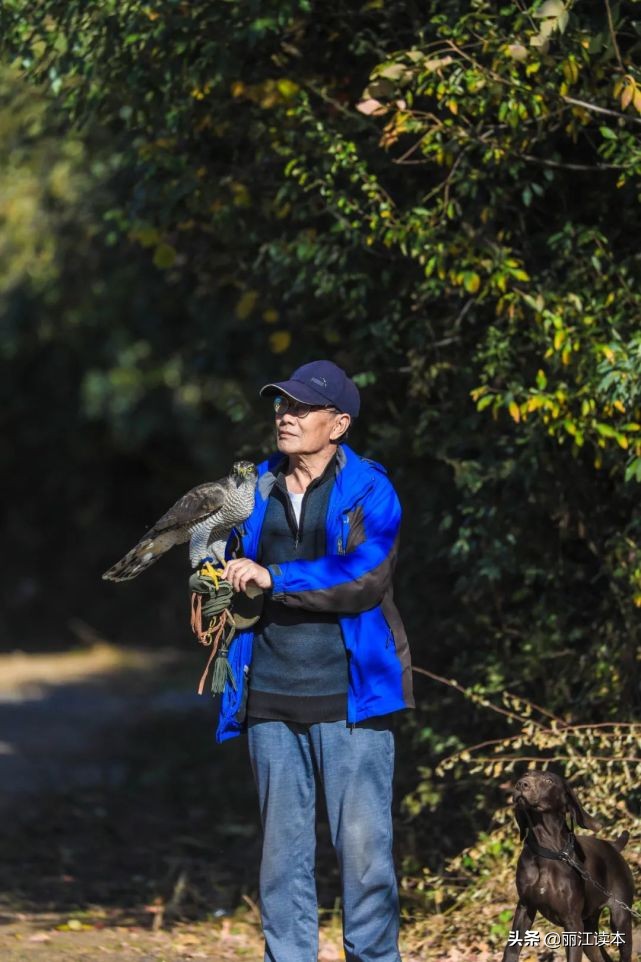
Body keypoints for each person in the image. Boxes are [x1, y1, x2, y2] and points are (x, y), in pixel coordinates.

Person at [217, 359, 414, 962]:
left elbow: (362, 576)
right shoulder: (251, 488)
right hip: (269, 698)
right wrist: (214, 581)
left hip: (353, 700)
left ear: (339, 424)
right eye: (282, 404)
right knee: (281, 865)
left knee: (365, 859)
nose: (286, 415)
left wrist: (272, 577)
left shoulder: (370, 490)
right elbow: (228, 560)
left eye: (302, 407)